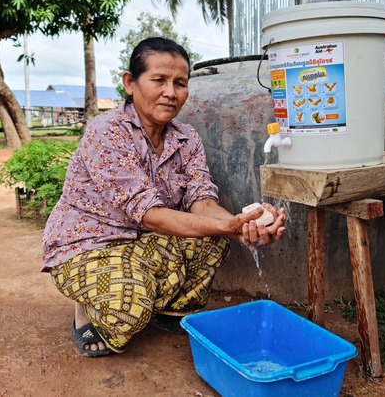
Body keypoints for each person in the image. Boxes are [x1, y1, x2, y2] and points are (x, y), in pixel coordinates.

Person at [42, 37, 287, 357]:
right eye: (159, 80)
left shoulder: (186, 139)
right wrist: (230, 227)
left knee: (210, 239)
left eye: (180, 83)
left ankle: (168, 310)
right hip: (89, 244)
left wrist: (242, 225)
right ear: (130, 83)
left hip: (144, 239)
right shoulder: (107, 131)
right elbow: (149, 214)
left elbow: (203, 203)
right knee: (127, 310)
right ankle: (86, 309)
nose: (171, 92)